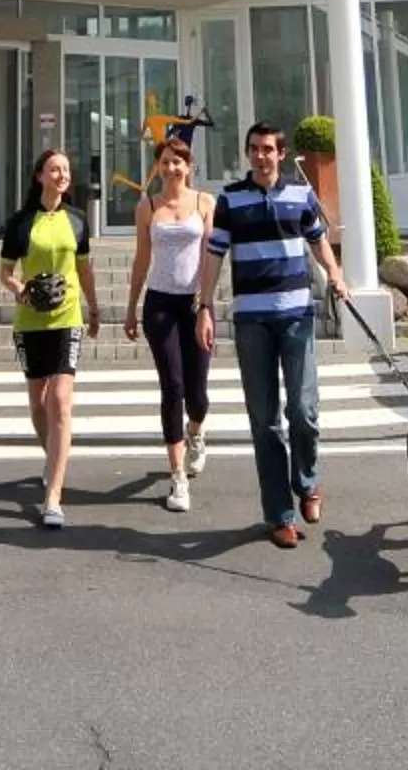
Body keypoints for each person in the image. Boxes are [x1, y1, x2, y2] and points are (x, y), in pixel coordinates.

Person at [198, 120, 350, 547]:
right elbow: (214, 254)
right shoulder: (231, 199)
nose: (261, 156)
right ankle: (280, 514)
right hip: (251, 320)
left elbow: (318, 241)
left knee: (303, 411)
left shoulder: (301, 196)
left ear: (281, 154)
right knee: (264, 422)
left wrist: (335, 274)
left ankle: (307, 482)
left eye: (268, 148)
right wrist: (204, 306)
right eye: (254, 149)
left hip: (297, 314)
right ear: (248, 154)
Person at [0, 147, 98, 528]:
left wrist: (95, 307)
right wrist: (21, 290)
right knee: (39, 405)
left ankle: (52, 495)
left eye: (66, 170)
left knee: (60, 401)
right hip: (29, 322)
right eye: (54, 169)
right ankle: (53, 458)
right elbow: (5, 272)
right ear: (39, 176)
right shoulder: (21, 222)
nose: (62, 175)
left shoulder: (77, 220)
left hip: (67, 318)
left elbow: (84, 269)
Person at [122, 134, 214, 512]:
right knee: (172, 386)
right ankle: (177, 477)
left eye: (178, 161)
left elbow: (212, 257)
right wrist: (130, 306)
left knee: (198, 394)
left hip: (195, 306)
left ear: (189, 166)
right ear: (157, 167)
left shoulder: (206, 203)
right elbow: (142, 258)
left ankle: (197, 432)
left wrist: (207, 304)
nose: (171, 168)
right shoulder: (147, 205)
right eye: (165, 161)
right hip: (159, 305)